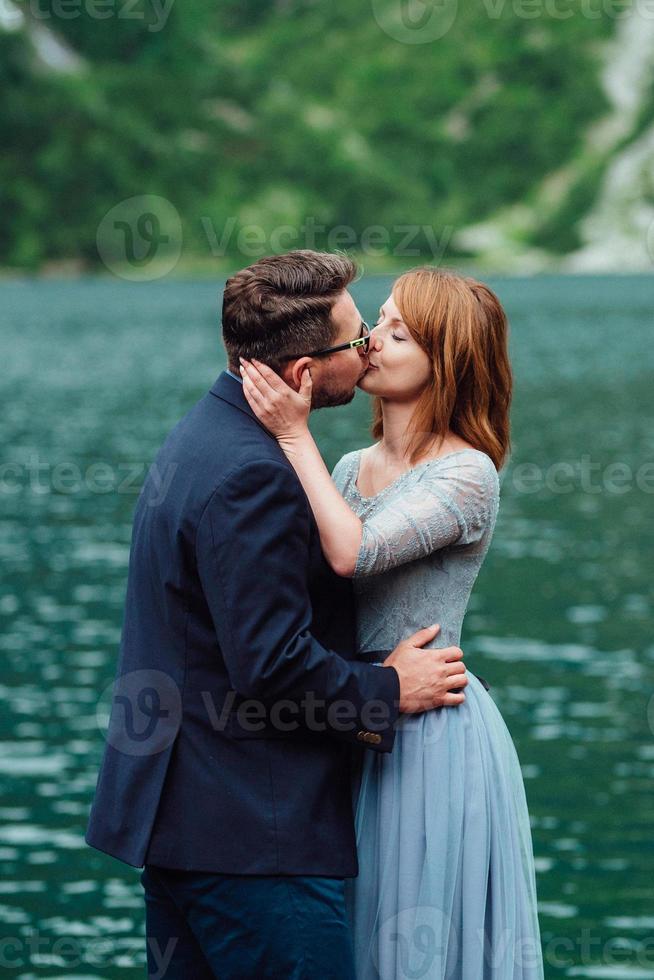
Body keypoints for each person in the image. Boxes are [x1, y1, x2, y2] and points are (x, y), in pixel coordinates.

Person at [84, 250, 469, 980]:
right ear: (300, 375)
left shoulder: (201, 437)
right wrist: (391, 690)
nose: (367, 354)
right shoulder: (255, 474)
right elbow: (271, 663)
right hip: (253, 843)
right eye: (356, 340)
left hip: (182, 827)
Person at [241, 265, 545, 979]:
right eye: (378, 319)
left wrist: (291, 434)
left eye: (400, 333)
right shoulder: (347, 467)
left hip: (433, 735)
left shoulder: (468, 474)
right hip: (358, 715)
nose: (372, 340)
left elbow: (354, 553)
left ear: (448, 363)